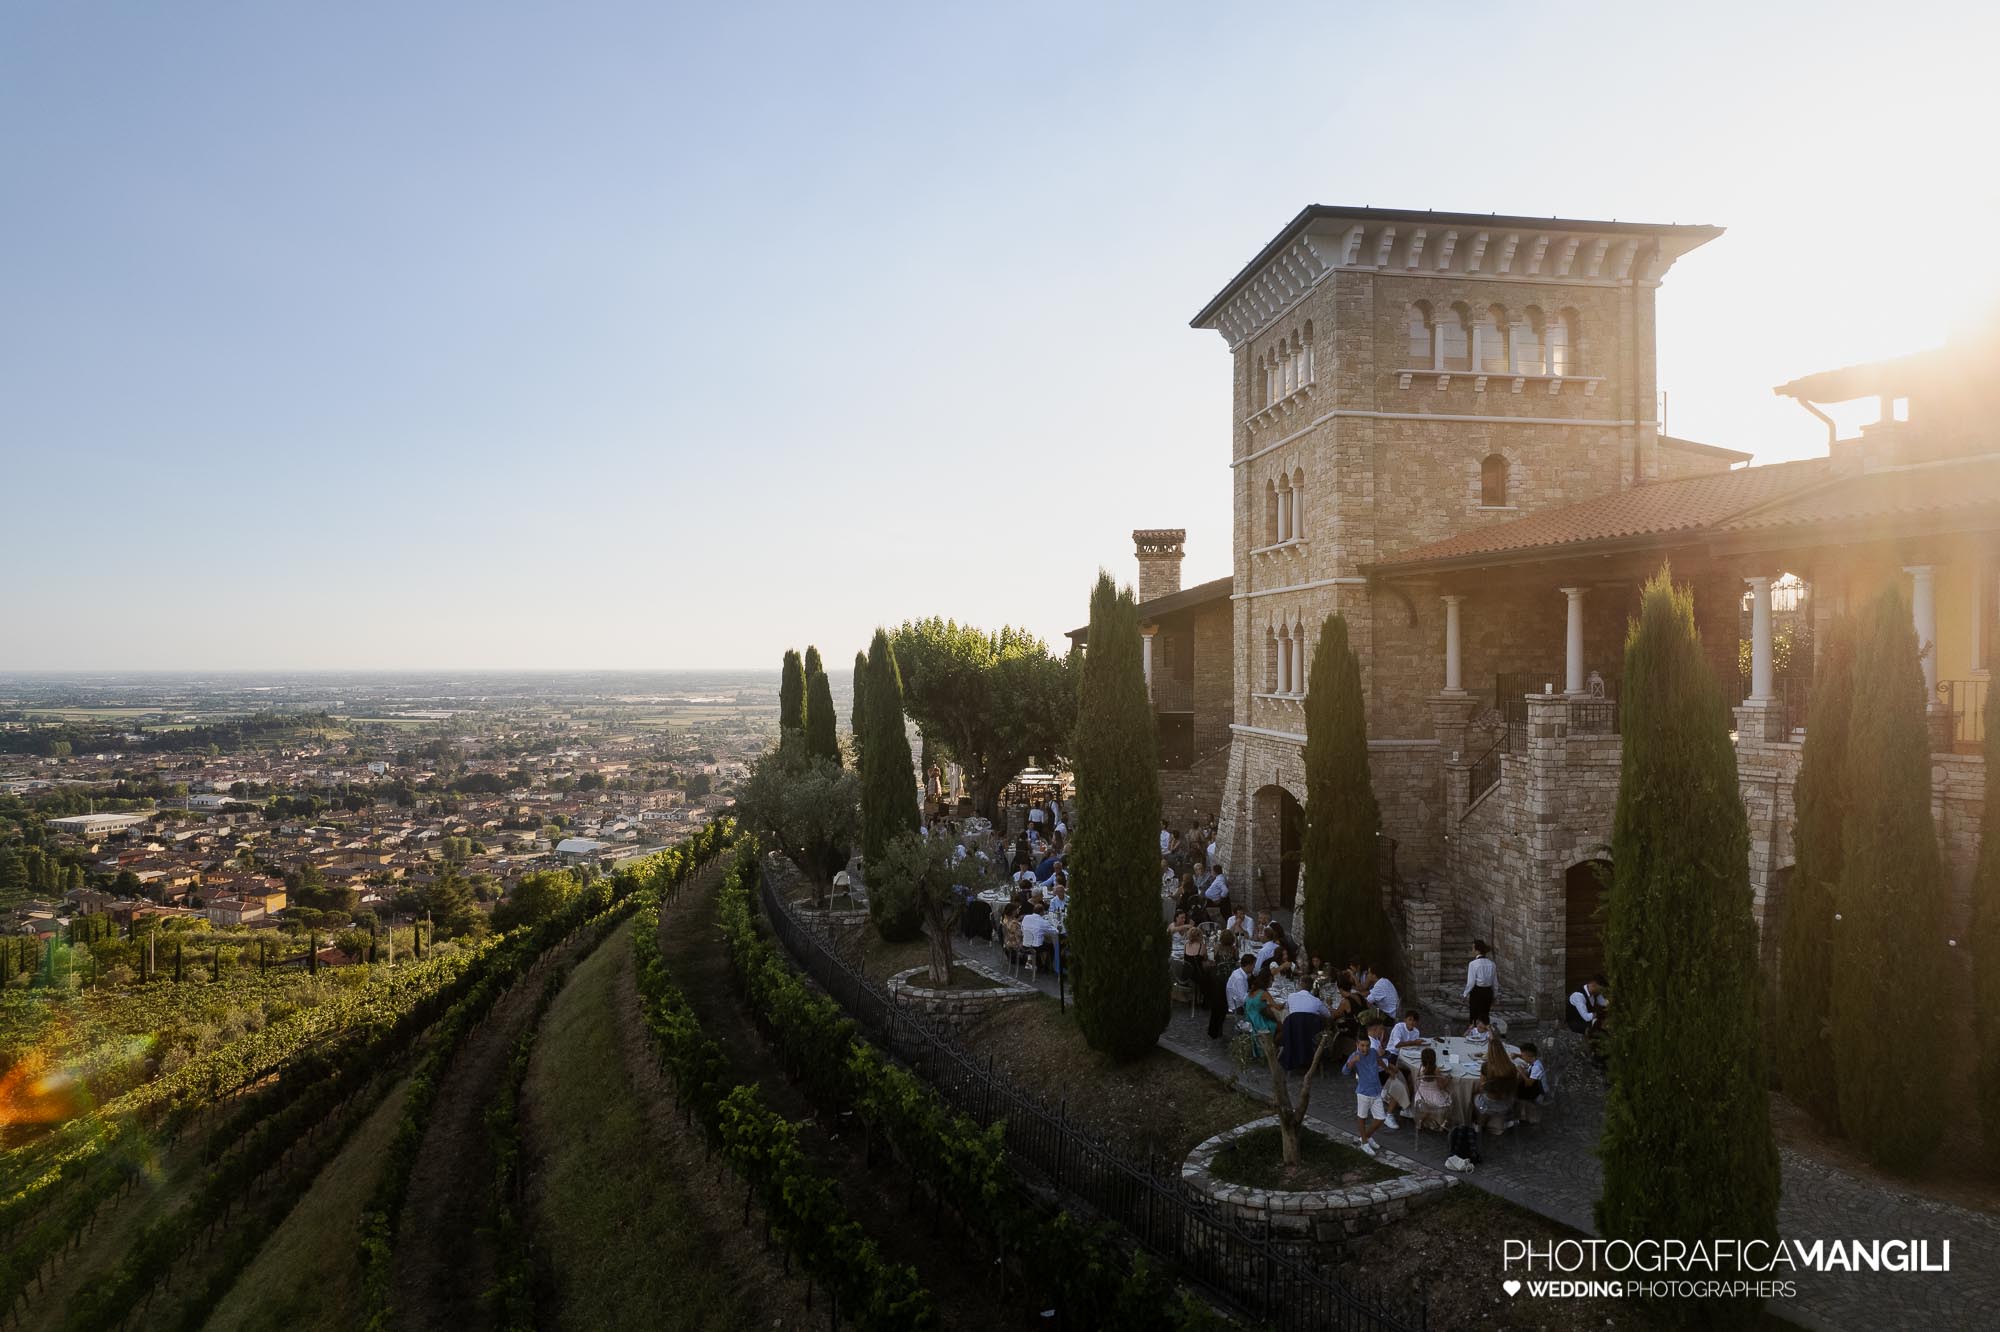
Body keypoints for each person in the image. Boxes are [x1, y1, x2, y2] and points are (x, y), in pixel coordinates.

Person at [1343, 1018, 1393, 1155]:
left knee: (1380, 1118)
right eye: (1362, 1046)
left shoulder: (1373, 1052)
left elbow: (1379, 1061)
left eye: (1367, 1045)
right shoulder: (1354, 1056)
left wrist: (1388, 1070)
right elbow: (1345, 1071)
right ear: (1357, 1045)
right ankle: (1364, 1143)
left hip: (1376, 1090)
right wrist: (1351, 1062)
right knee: (1362, 1117)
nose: (1364, 1048)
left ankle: (1366, 1137)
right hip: (1363, 1092)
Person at [1475, 1035, 1519, 1129]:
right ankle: (1506, 1119)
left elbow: (1481, 1087)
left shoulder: (1486, 1066)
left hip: (1488, 1104)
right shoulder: (1511, 1066)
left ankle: (1480, 1123)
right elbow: (1514, 1085)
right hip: (1507, 1101)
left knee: (1475, 1096)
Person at [1413, 1046, 1455, 1131]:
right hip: (1435, 1097)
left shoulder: (1421, 1067)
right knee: (1451, 1098)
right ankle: (1442, 1122)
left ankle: (1423, 1120)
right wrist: (1448, 1079)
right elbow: (1441, 1086)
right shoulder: (1436, 1070)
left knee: (1427, 1106)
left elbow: (1418, 1078)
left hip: (1421, 1096)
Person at [1464, 940, 1497, 1025]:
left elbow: (1471, 982)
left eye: (1473, 948)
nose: (1472, 950)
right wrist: (1495, 995)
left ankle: (1474, 1030)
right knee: (1485, 1015)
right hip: (1488, 992)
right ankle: (1485, 1031)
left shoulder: (1473, 964)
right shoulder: (1492, 964)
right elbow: (1495, 982)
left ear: (1477, 950)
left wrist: (1465, 994)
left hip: (1477, 992)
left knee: (1474, 1015)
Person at [1566, 975, 1607, 1040]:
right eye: (1600, 989)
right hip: (1576, 1023)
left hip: (1587, 1021)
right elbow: (1586, 1017)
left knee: (1604, 1027)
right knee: (1597, 1034)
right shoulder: (1578, 996)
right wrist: (1598, 1014)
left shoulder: (1595, 993)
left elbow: (1604, 1003)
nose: (1601, 992)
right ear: (1594, 984)